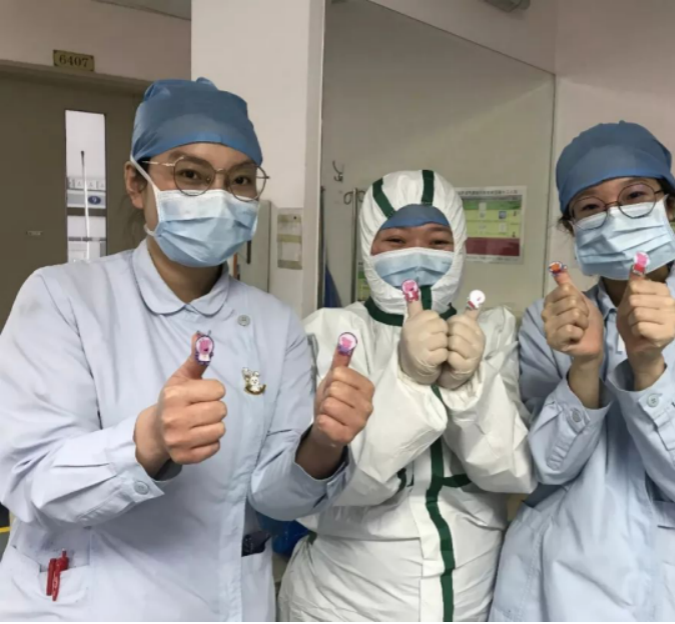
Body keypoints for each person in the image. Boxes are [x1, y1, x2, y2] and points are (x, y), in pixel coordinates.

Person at [0, 78, 375, 622]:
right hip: (94, 601)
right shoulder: (63, 299)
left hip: (225, 599)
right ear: (137, 183)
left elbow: (276, 499)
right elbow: (31, 481)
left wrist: (323, 444)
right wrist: (147, 440)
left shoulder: (274, 325)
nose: (219, 196)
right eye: (191, 175)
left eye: (240, 179)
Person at [490, 122, 675, 622]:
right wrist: (584, 365)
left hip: (662, 587)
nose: (615, 216)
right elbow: (545, 469)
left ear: (669, 208)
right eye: (590, 206)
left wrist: (648, 366)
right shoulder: (550, 322)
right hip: (548, 576)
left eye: (634, 196)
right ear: (573, 228)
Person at [279, 170, 535, 622]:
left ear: (459, 247)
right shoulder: (335, 335)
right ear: (368, 247)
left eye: (438, 241)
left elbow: (513, 472)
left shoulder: (493, 332)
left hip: (472, 591)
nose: (418, 254)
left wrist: (468, 389)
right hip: (345, 600)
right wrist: (410, 381)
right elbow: (338, 486)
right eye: (395, 241)